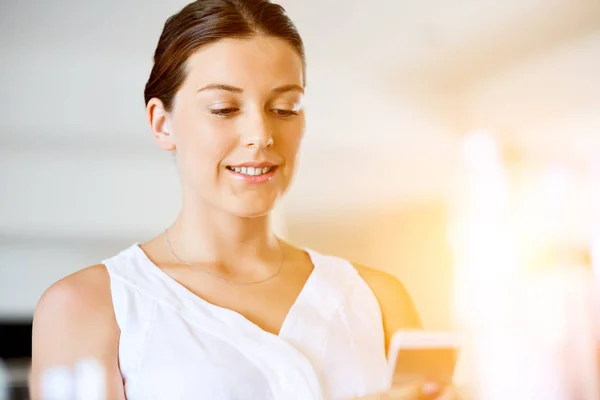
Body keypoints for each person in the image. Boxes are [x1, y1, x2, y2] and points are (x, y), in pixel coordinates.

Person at [30, 1, 456, 399]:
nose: (261, 135)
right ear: (162, 124)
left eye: (285, 107)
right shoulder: (88, 306)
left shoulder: (376, 298)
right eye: (223, 108)